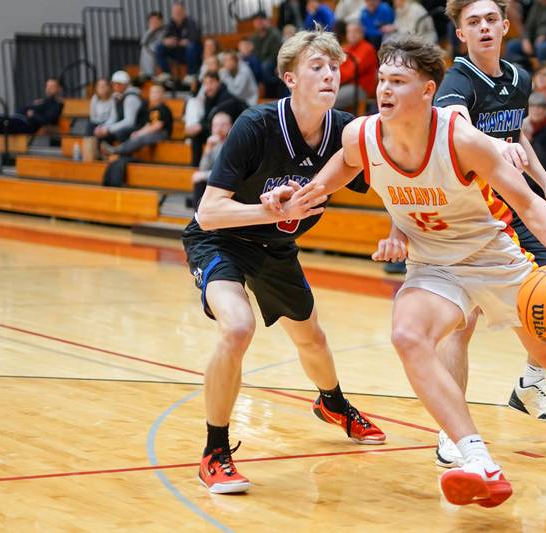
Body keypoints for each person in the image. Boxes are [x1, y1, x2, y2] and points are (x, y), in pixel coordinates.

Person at [282, 33, 546, 507]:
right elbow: (345, 164)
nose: (384, 90)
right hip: (432, 263)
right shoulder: (362, 134)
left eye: (398, 81)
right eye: (382, 79)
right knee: (408, 335)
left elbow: (528, 204)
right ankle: (478, 459)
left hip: (492, 257)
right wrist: (307, 193)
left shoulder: (463, 141)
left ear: (428, 91)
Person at [183, 28, 386, 495]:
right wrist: (272, 211)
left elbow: (387, 176)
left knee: (312, 338)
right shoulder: (255, 125)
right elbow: (208, 212)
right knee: (238, 328)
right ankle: (215, 451)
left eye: (334, 67)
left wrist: (401, 227)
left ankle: (333, 403)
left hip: (275, 249)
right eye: (317, 66)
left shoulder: (345, 131)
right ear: (290, 78)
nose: (329, 74)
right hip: (221, 240)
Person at [433, 0, 546, 467]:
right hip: (472, 216)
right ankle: (451, 431)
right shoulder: (457, 82)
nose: (483, 28)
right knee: (463, 324)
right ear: (461, 34)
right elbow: (454, 128)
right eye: (473, 22)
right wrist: (494, 145)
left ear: (505, 26)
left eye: (490, 19)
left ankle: (531, 383)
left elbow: (517, 136)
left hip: (515, 205)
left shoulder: (518, 77)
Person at [184, 72, 247, 167]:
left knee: (214, 133)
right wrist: (197, 126)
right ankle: (195, 166)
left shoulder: (226, 98)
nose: (208, 86)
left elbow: (221, 124)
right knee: (197, 135)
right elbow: (209, 120)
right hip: (221, 130)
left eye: (211, 82)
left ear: (218, 83)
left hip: (236, 133)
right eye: (205, 83)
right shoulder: (208, 97)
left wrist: (200, 126)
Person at [101, 84, 173, 157]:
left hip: (162, 133)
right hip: (154, 132)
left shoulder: (163, 108)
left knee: (142, 138)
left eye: (157, 92)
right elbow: (148, 125)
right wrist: (138, 132)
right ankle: (120, 151)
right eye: (152, 92)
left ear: (162, 95)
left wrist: (141, 133)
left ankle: (116, 150)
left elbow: (157, 126)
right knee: (135, 135)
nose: (154, 95)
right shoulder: (152, 109)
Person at [191, 112, 232, 210]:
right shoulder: (213, 143)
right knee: (199, 181)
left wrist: (203, 175)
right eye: (216, 125)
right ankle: (198, 213)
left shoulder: (232, 144)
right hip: (215, 181)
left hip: (228, 182)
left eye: (223, 125)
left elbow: (225, 172)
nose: (219, 128)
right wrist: (208, 149)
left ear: (230, 126)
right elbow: (203, 168)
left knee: (200, 177)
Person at [155, 0, 202, 84]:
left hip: (193, 53)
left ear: (184, 12)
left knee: (191, 46)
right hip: (178, 52)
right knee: (159, 46)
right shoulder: (171, 24)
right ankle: (166, 73)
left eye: (179, 11)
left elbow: (194, 38)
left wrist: (177, 42)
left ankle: (191, 74)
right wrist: (166, 41)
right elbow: (165, 37)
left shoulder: (190, 22)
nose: (177, 13)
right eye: (175, 12)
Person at [336, 20, 378, 110]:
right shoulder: (346, 48)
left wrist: (335, 76)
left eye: (355, 31)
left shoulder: (367, 49)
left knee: (329, 100)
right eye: (349, 32)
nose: (352, 34)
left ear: (362, 33)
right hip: (345, 84)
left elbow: (350, 73)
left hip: (361, 87)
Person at [93, 70, 143, 143]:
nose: (116, 86)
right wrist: (103, 127)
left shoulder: (131, 98)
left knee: (120, 133)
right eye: (114, 84)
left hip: (137, 128)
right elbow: (114, 117)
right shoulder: (117, 96)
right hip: (124, 126)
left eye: (119, 84)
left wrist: (109, 129)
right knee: (99, 132)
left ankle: (121, 150)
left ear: (126, 84)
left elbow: (129, 122)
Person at [139, 11, 166, 79]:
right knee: (144, 48)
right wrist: (151, 30)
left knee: (149, 49)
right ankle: (146, 73)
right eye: (151, 21)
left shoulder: (165, 31)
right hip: (150, 59)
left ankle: (149, 75)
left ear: (161, 21)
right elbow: (142, 42)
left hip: (160, 57)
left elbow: (158, 45)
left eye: (155, 20)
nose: (153, 23)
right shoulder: (150, 31)